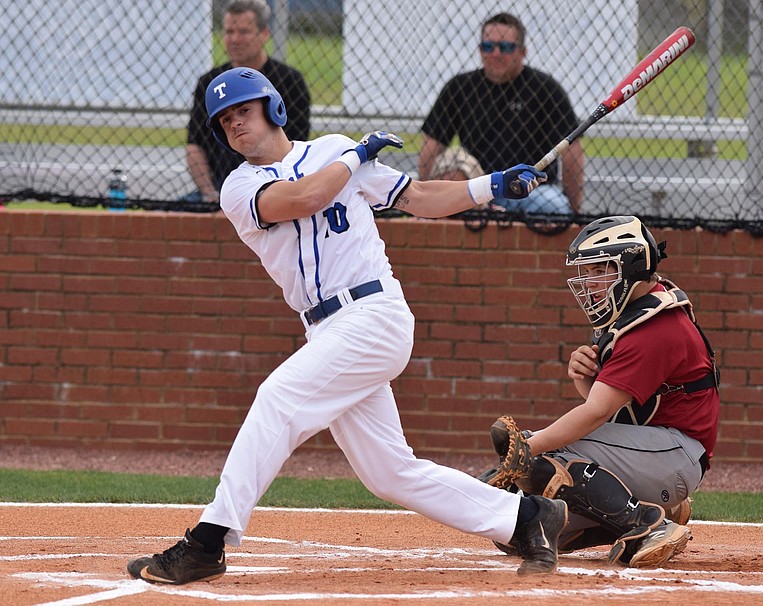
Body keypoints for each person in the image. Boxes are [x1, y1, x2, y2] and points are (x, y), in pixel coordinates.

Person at [127, 66, 569, 585]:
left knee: (276, 399)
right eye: (225, 121)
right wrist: (355, 156)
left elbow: (418, 198)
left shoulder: (330, 150)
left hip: (374, 314)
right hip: (327, 329)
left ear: (272, 109)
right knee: (388, 472)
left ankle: (208, 542)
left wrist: (491, 184)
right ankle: (525, 518)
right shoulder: (240, 186)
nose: (236, 126)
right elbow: (303, 199)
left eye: (244, 111)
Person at [482, 215, 720, 567]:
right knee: (523, 528)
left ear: (630, 267)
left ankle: (648, 525)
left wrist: (528, 446)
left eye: (599, 272)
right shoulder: (640, 309)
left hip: (675, 454)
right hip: (654, 447)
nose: (590, 283)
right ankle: (655, 508)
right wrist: (585, 380)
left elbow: (596, 413)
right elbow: (618, 409)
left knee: (546, 461)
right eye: (588, 273)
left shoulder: (654, 329)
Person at [418, 12, 584, 215]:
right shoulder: (460, 88)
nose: (496, 53)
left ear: (522, 52)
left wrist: (574, 212)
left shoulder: (545, 89)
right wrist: (423, 203)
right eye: (488, 46)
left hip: (531, 192)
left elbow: (572, 152)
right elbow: (431, 147)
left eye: (505, 47)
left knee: (555, 207)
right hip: (478, 189)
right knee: (451, 175)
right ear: (480, 50)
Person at [184, 0, 310, 203]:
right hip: (218, 188)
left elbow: (295, 146)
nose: (234, 39)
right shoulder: (211, 84)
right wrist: (209, 194)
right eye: (228, 32)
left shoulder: (288, 81)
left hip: (276, 187)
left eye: (243, 32)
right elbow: (194, 145)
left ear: (264, 34)